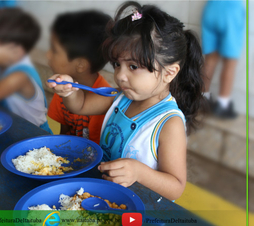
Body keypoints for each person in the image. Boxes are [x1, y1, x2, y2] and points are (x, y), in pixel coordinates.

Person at [47, 1, 205, 200]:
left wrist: (139, 172)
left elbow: (176, 187)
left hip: (141, 209)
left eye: (132, 66)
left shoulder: (168, 123)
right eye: (117, 64)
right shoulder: (120, 98)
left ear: (169, 73)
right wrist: (69, 91)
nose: (120, 75)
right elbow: (80, 105)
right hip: (107, 197)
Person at [0, 8, 52, 134]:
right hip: (16, 131)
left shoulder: (20, 76)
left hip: (36, 137)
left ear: (16, 51)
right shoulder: (5, 65)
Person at [47, 10, 112, 144]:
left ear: (81, 65)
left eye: (54, 50)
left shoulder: (104, 100)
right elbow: (63, 133)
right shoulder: (63, 88)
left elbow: (96, 149)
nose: (47, 55)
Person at [201, 0, 245, 119]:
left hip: (211, 8)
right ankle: (223, 105)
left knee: (210, 60)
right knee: (230, 62)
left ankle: (203, 98)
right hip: (231, 10)